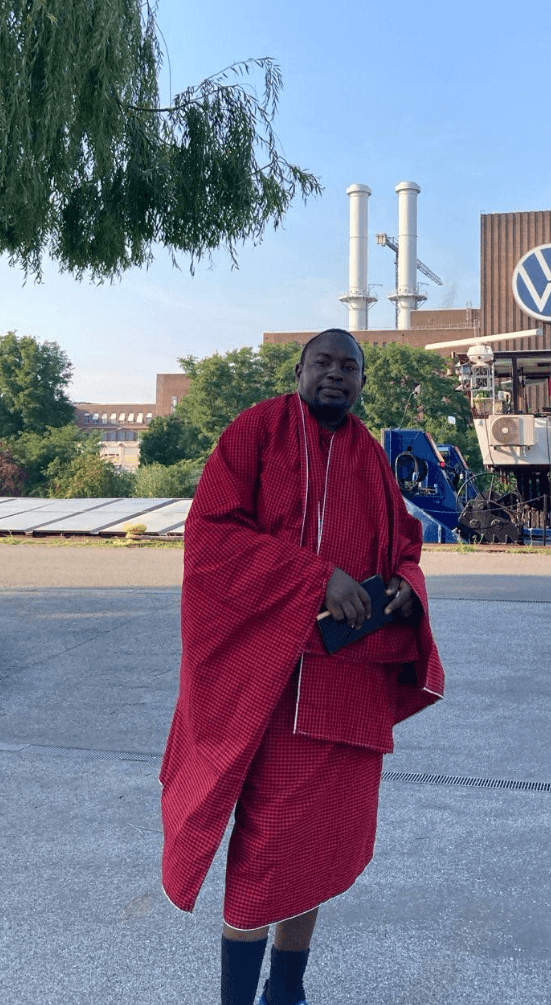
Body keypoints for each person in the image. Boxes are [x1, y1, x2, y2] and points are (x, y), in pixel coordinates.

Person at [160, 328, 444, 1005]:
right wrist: (316, 578)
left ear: (362, 383)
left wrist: (404, 583)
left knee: (318, 853)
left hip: (345, 689)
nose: (336, 376)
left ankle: (287, 992)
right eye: (324, 363)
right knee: (265, 855)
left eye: (350, 367)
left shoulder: (372, 459)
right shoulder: (255, 434)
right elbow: (211, 539)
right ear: (299, 370)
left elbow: (405, 544)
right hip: (271, 690)